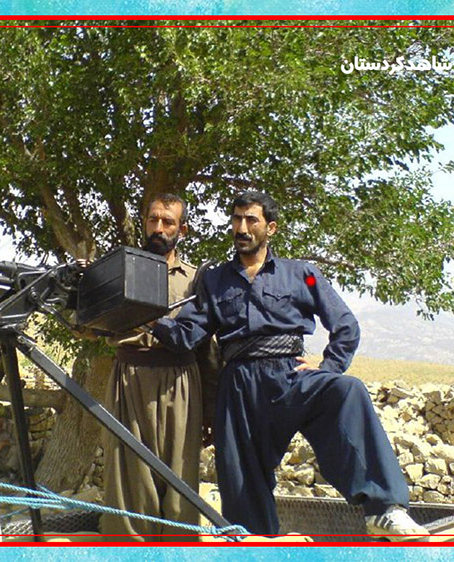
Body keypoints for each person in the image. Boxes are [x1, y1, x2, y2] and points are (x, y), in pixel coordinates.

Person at [152, 190, 429, 541]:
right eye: (236, 219)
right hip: (238, 385)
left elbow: (345, 324)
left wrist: (329, 366)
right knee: (242, 481)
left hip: (290, 376)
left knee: (347, 391)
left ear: (271, 228)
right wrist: (148, 320)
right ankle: (254, 546)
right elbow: (188, 332)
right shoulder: (214, 279)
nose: (242, 228)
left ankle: (384, 510)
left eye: (251, 220)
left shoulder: (304, 274)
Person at [99, 193, 218, 542]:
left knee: (180, 480)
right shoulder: (118, 271)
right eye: (153, 220)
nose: (159, 228)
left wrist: (210, 409)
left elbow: (205, 346)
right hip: (130, 378)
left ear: (182, 229)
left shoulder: (196, 280)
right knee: (128, 478)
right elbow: (92, 325)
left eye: (168, 222)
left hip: (180, 383)